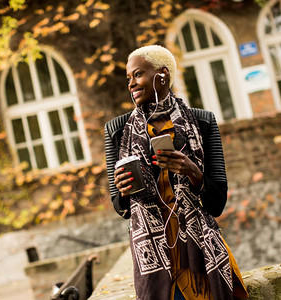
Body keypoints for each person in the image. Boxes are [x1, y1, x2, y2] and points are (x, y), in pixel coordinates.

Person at [104, 45, 248, 300]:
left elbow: (217, 203)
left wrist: (193, 171)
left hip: (200, 253)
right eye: (129, 78)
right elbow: (121, 207)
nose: (131, 84)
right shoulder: (117, 131)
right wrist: (123, 189)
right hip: (154, 257)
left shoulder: (203, 122)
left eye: (137, 75)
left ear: (162, 75)